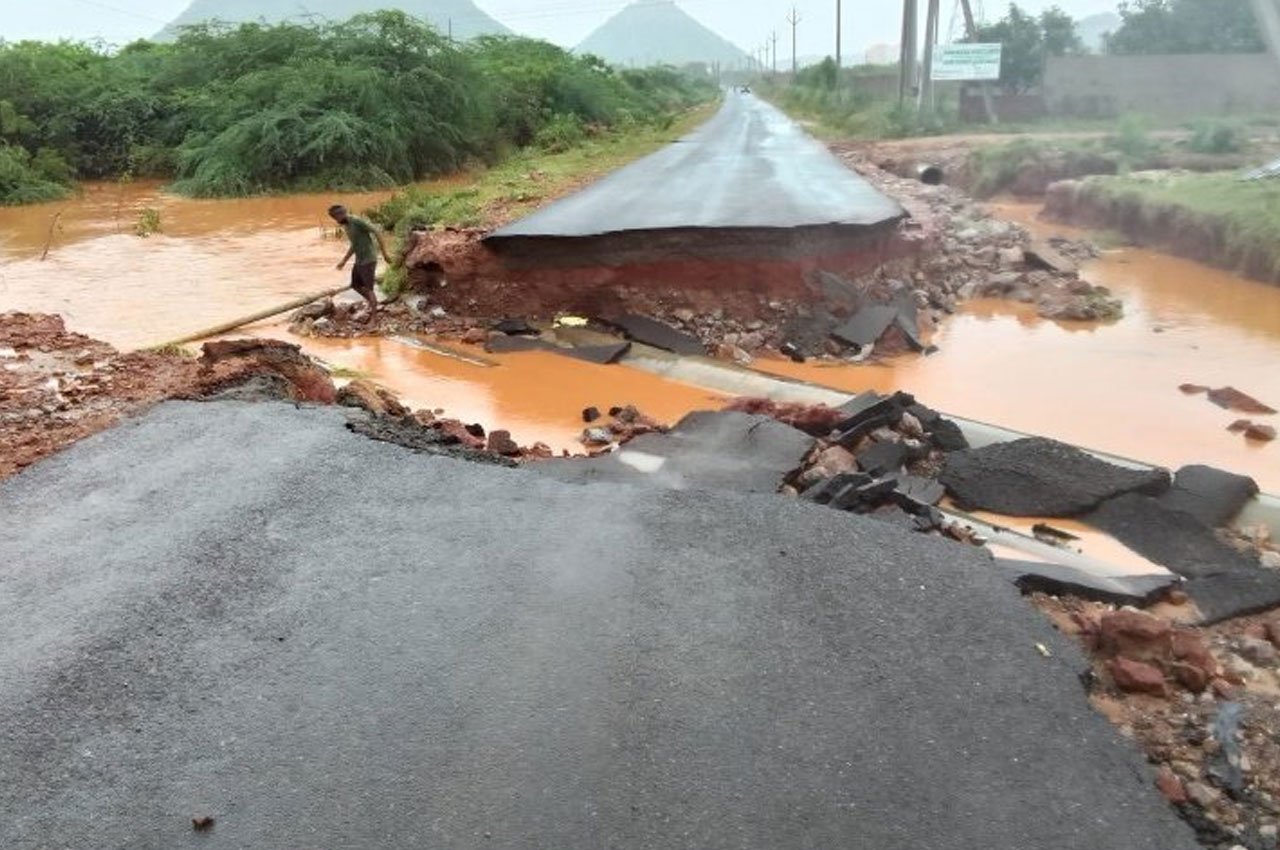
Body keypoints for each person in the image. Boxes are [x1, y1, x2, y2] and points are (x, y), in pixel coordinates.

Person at [329, 204, 392, 318]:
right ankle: (374, 303)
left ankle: (375, 319)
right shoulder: (347, 226)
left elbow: (376, 231)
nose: (335, 220)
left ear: (341, 214)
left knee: (369, 288)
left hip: (369, 259)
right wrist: (344, 260)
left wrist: (385, 254)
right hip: (360, 260)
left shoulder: (356, 221)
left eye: (335, 217)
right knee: (355, 285)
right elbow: (355, 244)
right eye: (333, 218)